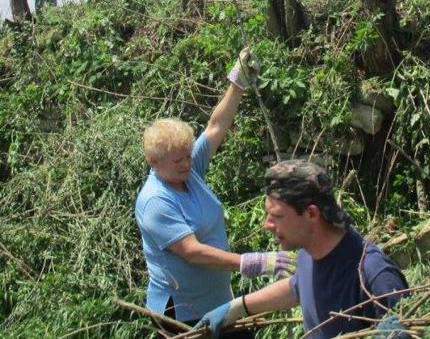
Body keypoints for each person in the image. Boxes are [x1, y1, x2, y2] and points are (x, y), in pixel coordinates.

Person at [135, 50, 295, 337]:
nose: (186, 163)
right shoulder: (155, 202)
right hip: (183, 313)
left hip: (218, 300)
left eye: (187, 155)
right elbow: (192, 252)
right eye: (178, 160)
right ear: (153, 162)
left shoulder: (189, 169)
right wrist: (253, 263)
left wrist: (238, 82)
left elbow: (216, 126)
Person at [197, 160, 411, 339]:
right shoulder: (309, 252)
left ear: (311, 214)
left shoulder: (375, 276)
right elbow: (297, 287)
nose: (267, 225)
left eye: (278, 216)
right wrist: (237, 307)